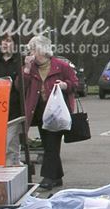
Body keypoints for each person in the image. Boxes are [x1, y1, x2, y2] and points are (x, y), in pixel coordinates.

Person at [22, 35, 79, 191]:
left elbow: (75, 84)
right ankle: (57, 177)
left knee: (52, 145)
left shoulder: (61, 66)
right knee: (49, 145)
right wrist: (26, 70)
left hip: (57, 112)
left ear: (42, 50)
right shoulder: (31, 68)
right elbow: (20, 88)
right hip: (40, 112)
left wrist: (65, 85)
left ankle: (48, 177)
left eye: (33, 49)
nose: (31, 53)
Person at [0, 33, 23, 121]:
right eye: (3, 41)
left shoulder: (20, 60)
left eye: (9, 41)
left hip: (15, 108)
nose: (5, 43)